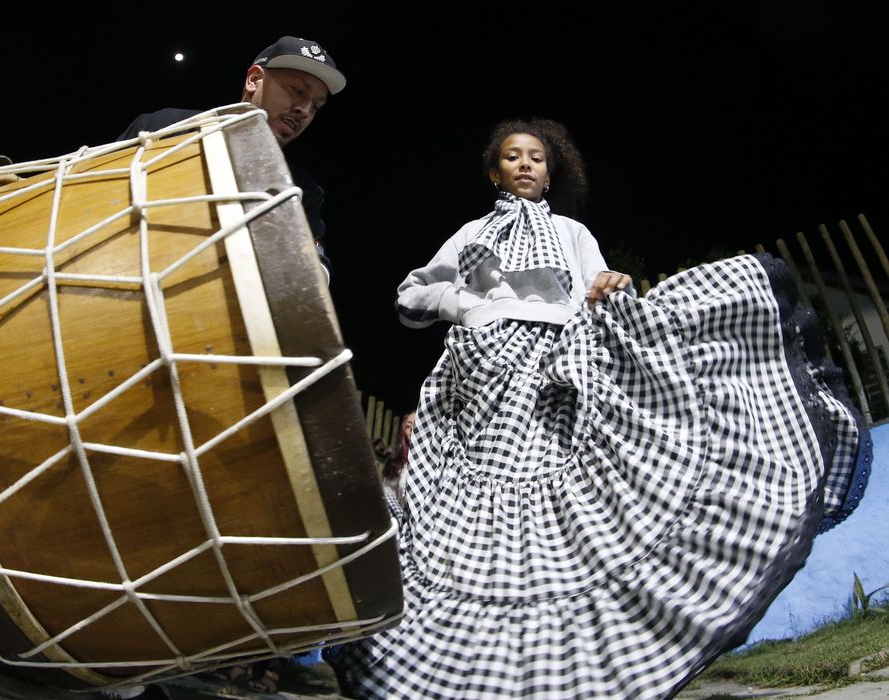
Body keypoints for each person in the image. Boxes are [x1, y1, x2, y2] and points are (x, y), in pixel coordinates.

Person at [323, 118, 870, 698]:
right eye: (513, 156)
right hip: (481, 379)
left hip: (560, 366)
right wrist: (468, 305)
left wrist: (608, 284)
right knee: (484, 518)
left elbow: (594, 287)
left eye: (537, 157)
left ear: (550, 170)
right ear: (495, 170)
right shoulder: (470, 234)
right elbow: (411, 294)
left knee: (569, 505)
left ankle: (582, 662)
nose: (526, 164)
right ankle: (476, 665)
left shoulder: (573, 232)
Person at [115, 36, 345, 283]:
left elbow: (317, 273)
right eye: (298, 91)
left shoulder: (302, 190)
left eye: (317, 106)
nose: (305, 110)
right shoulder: (163, 128)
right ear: (255, 79)